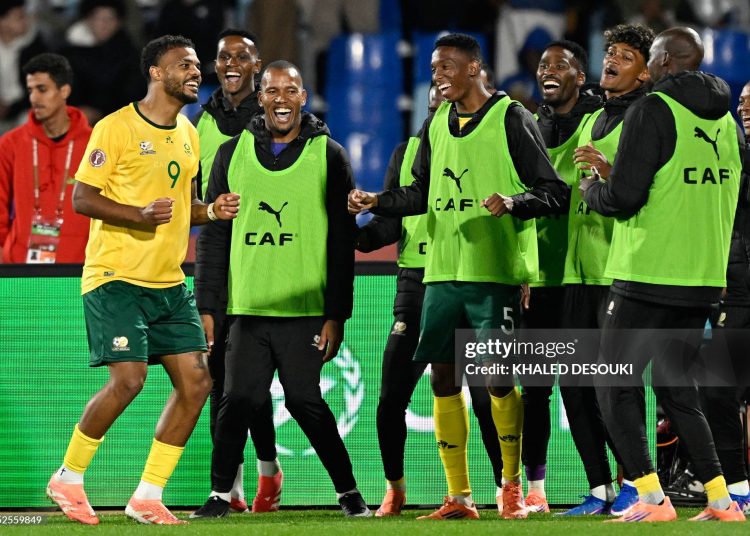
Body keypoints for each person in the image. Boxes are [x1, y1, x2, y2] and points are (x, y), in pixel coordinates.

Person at [348, 33, 568, 520]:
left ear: (474, 68)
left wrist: (512, 204)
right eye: (433, 68)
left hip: (493, 273)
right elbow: (420, 195)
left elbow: (555, 191)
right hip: (441, 273)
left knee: (495, 379)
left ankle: (511, 488)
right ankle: (458, 496)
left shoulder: (512, 118)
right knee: (443, 380)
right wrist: (376, 202)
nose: (438, 76)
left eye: (447, 66)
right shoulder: (436, 124)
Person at [45, 34, 241, 526]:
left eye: (198, 66)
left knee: (196, 383)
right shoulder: (115, 128)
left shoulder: (189, 134)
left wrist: (211, 211)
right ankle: (68, 477)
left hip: (169, 281)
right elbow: (83, 199)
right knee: (129, 380)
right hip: (116, 276)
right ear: (156, 72)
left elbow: (180, 211)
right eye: (184, 65)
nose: (196, 72)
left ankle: (147, 496)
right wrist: (135, 213)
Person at [582, 26, 745, 522]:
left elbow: (623, 200)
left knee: (613, 384)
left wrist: (593, 185)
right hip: (701, 279)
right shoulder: (729, 122)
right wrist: (623, 174)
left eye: (650, 58)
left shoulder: (651, 110)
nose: (647, 68)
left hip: (647, 271)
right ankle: (721, 500)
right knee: (677, 389)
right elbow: (684, 184)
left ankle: (652, 498)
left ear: (668, 61)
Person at [196, 60, 368, 517]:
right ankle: (219, 495)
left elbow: (341, 241)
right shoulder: (232, 154)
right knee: (237, 401)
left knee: (306, 402)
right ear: (262, 97)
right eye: (272, 91)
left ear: (303, 97)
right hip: (247, 310)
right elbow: (213, 236)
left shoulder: (329, 154)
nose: (280, 100)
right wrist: (209, 306)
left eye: (289, 90)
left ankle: (348, 493)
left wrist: (337, 314)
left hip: (305, 309)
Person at [355, 84, 506, 517]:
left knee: (483, 396)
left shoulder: (489, 147)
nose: (445, 112)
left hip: (472, 279)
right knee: (391, 399)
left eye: (455, 105)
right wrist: (356, 231)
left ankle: (503, 489)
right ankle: (394, 487)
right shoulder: (407, 153)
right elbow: (390, 221)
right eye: (436, 105)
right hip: (418, 284)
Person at [557, 24, 653, 517]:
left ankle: (640, 482)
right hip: (577, 272)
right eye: (610, 52)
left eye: (626, 56)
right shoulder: (594, 115)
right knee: (574, 384)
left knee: (617, 384)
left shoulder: (648, 118)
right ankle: (599, 488)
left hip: (618, 271)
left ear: (646, 71)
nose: (612, 60)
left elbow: (648, 193)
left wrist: (607, 173)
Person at [192, 28, 283, 517]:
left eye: (241, 57)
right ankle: (234, 486)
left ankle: (268, 467)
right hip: (215, 258)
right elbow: (192, 196)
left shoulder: (274, 118)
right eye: (223, 56)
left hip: (263, 258)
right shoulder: (200, 122)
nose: (230, 64)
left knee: (249, 380)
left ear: (256, 64)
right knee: (220, 378)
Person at [521, 38, 603, 513]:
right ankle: (536, 491)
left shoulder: (600, 122)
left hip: (585, 277)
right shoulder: (527, 125)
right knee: (535, 392)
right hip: (539, 278)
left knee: (593, 388)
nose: (548, 71)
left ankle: (618, 482)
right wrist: (524, 267)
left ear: (580, 75)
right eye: (542, 65)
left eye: (560, 65)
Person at [701, 79, 750, 513]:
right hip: (732, 291)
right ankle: (737, 487)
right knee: (716, 391)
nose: (746, 109)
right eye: (742, 103)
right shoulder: (727, 152)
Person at [0, 53, 91, 263]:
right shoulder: (10, 144)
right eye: (30, 90)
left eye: (42, 89)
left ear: (64, 90)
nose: (34, 98)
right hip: (21, 267)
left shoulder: (96, 143)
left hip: (81, 267)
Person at [61, 0, 142, 126]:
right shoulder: (70, 49)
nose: (104, 24)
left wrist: (98, 111)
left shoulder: (129, 54)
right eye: (99, 18)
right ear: (88, 20)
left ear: (119, 22)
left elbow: (131, 95)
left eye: (110, 18)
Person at [0, 0, 48, 133]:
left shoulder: (36, 48)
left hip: (25, 108)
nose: (25, 21)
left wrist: (10, 108)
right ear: (2, 22)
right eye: (19, 17)